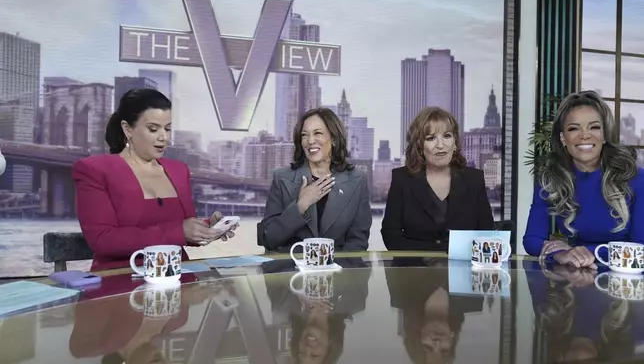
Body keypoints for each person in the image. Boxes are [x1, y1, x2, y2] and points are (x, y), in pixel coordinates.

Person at [72, 89, 236, 271]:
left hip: (178, 277)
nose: (163, 137)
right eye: (153, 129)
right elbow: (103, 241)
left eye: (167, 129)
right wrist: (179, 231)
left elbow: (182, 229)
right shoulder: (94, 170)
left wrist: (207, 227)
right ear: (128, 129)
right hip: (119, 280)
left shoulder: (178, 170)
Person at [523, 91, 644, 268]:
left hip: (627, 285)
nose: (584, 135)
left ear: (604, 135)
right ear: (563, 138)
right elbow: (532, 240)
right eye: (573, 128)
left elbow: (640, 246)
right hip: (577, 281)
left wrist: (586, 252)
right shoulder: (551, 180)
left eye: (594, 127)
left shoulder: (636, 178)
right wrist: (560, 254)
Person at [258, 107, 371, 252]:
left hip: (338, 271)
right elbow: (268, 238)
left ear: (334, 139)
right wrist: (301, 206)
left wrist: (338, 272)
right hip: (290, 270)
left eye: (317, 133)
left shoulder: (357, 180)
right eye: (304, 135)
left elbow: (357, 242)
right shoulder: (282, 178)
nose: (310, 141)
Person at [381, 107, 494, 251]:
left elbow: (486, 233)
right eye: (431, 138)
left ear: (455, 143)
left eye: (447, 136)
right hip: (414, 269)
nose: (440, 145)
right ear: (420, 147)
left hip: (463, 268)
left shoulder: (474, 179)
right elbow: (391, 236)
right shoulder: (402, 179)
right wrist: (431, 256)